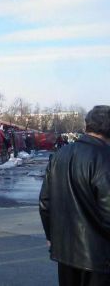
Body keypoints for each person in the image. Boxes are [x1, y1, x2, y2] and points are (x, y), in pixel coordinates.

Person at [39, 105, 110, 286]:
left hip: (66, 251)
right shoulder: (105, 157)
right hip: (99, 256)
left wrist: (51, 236)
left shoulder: (60, 154)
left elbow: (45, 202)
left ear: (87, 126)